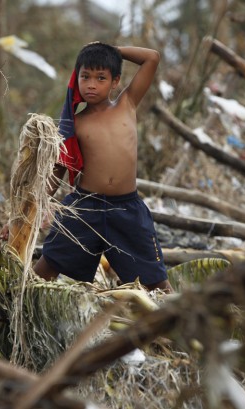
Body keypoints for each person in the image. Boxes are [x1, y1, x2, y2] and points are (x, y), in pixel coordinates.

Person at [34, 42, 173, 293]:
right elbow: (58, 170)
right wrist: (33, 207)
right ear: (76, 79)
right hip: (84, 208)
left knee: (156, 282)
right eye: (85, 77)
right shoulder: (72, 124)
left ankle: (177, 324)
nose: (91, 84)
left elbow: (152, 58)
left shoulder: (127, 104)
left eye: (101, 78)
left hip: (127, 209)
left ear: (115, 81)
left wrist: (110, 49)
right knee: (47, 267)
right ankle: (16, 312)